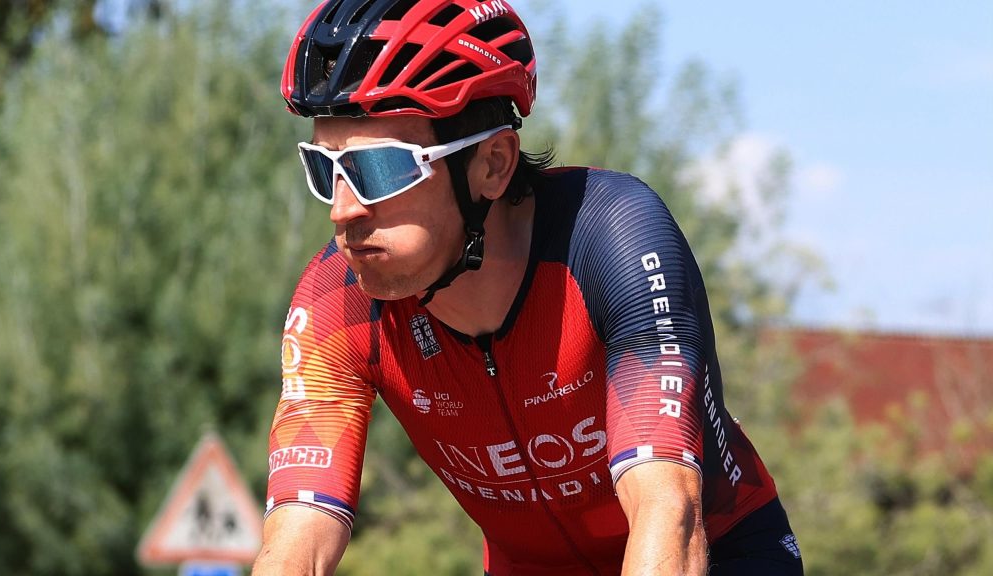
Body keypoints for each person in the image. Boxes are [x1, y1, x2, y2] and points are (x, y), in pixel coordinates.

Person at [253, 1, 803, 574]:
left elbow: (669, 510)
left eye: (379, 171)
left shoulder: (615, 239)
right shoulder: (335, 300)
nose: (343, 209)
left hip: (718, 550)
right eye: (326, 171)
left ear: (492, 164)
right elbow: (297, 541)